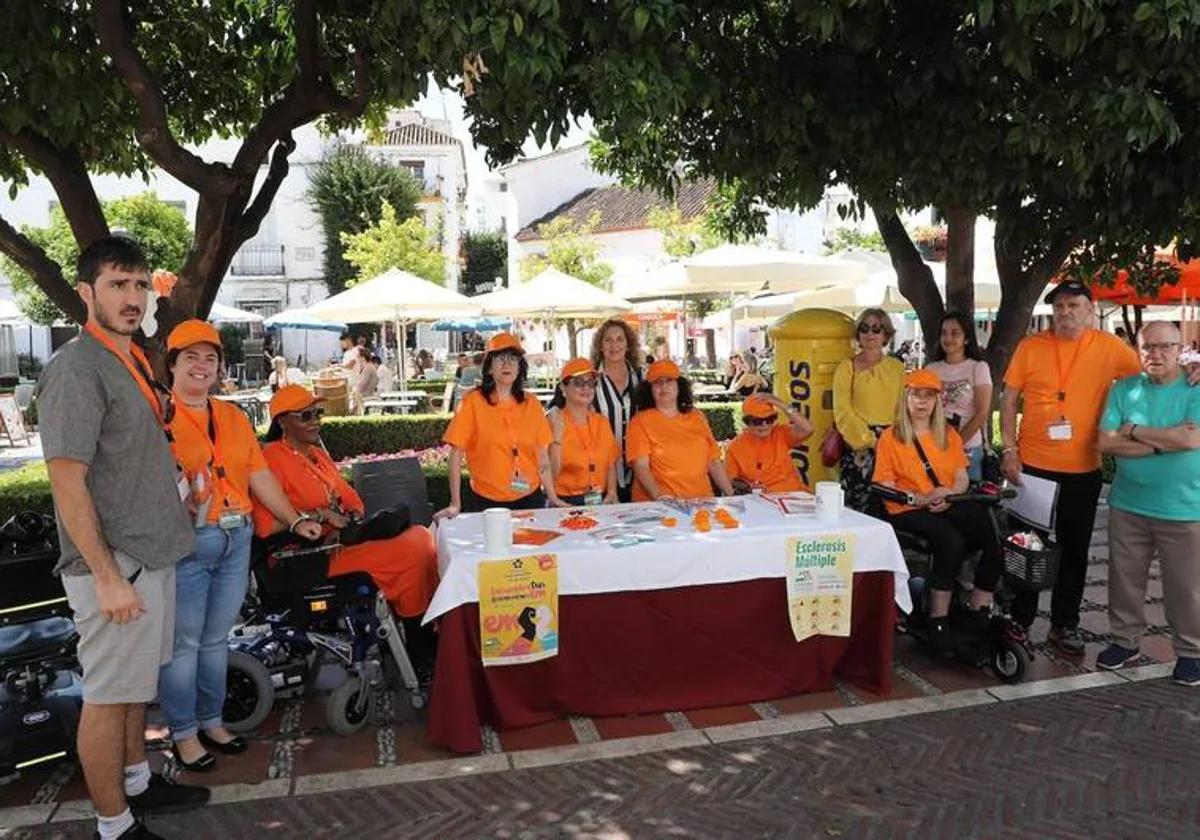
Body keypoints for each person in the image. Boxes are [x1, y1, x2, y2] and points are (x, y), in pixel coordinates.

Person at [38, 237, 208, 840]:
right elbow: (66, 482)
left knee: (138, 686)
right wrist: (106, 576)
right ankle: (113, 826)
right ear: (87, 293)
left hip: (151, 553)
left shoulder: (131, 357)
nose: (133, 297)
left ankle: (137, 782)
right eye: (117, 285)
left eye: (139, 284)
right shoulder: (75, 370)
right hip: (116, 570)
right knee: (108, 698)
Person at [159, 322, 322, 773]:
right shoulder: (159, 417)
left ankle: (212, 721)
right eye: (190, 357)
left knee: (215, 640)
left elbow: (258, 475)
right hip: (189, 540)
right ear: (171, 364)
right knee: (184, 642)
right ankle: (183, 733)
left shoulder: (230, 417)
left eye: (210, 358)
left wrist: (295, 519)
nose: (201, 366)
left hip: (236, 537)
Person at [1000, 280, 1142, 654]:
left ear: (1090, 310)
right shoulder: (1031, 346)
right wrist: (1008, 449)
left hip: (1083, 468)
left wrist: (1189, 373)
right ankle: (1019, 618)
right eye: (1059, 307)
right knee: (1027, 547)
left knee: (1075, 549)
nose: (1065, 313)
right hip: (1031, 468)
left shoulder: (1110, 347)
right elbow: (1010, 398)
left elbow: (1146, 382)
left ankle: (1065, 624)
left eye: (1073, 305)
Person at [252, 385, 440, 667]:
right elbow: (265, 527)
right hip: (303, 556)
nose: (315, 420)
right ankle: (419, 643)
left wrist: (348, 517)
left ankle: (420, 626)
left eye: (318, 413)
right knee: (412, 549)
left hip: (339, 543)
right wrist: (321, 515)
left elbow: (351, 499)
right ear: (282, 422)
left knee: (421, 537)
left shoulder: (317, 454)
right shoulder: (270, 459)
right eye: (305, 415)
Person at [1096, 322, 1200, 685]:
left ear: (1180, 348)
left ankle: (1190, 652)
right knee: (1124, 579)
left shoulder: (1196, 389)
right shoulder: (1124, 389)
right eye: (1147, 347)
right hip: (1128, 504)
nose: (1155, 354)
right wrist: (1164, 441)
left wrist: (1136, 431)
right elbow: (1107, 443)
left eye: (1164, 346)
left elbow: (1191, 441)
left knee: (1186, 587)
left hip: (1186, 507)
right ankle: (1125, 642)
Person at [873, 370, 1003, 652]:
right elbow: (883, 484)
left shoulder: (949, 435)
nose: (922, 401)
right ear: (905, 398)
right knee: (950, 540)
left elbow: (961, 478)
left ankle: (978, 610)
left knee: (991, 531)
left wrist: (948, 494)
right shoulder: (890, 438)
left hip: (946, 500)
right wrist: (919, 498)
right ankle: (938, 618)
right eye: (916, 395)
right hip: (907, 506)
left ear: (937, 401)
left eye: (929, 396)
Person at [436, 333, 563, 516]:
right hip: (487, 503)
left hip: (530, 499)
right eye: (500, 359)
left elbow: (542, 457)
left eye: (513, 359)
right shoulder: (472, 402)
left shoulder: (532, 403)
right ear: (489, 368)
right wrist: (455, 503)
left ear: (520, 367)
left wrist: (552, 496)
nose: (507, 364)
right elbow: (456, 455)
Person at [626, 359, 736, 500]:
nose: (663, 386)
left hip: (702, 503)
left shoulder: (697, 416)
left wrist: (731, 496)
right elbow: (641, 467)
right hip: (660, 507)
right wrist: (659, 496)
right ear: (649, 389)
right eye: (657, 382)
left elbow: (713, 462)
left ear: (679, 385)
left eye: (669, 380)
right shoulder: (639, 422)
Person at [833, 308, 905, 513]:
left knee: (891, 505)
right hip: (859, 446)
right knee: (858, 507)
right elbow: (842, 410)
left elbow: (903, 405)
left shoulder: (896, 367)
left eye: (876, 328)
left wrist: (895, 439)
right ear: (858, 333)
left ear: (886, 334)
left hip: (893, 443)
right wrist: (870, 440)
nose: (870, 333)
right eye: (864, 328)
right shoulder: (847, 367)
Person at [925, 312, 993, 481]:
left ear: (966, 338)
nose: (948, 338)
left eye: (955, 333)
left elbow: (982, 411)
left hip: (968, 449)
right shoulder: (930, 369)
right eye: (944, 332)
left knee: (966, 503)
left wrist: (955, 445)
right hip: (933, 449)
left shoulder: (978, 367)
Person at [546, 358, 621, 505]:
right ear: (563, 388)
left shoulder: (602, 422)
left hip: (600, 501)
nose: (586, 388)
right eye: (578, 383)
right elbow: (549, 474)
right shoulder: (552, 422)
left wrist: (612, 492)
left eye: (591, 383)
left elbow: (610, 463)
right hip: (564, 503)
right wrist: (557, 440)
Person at [590, 319, 644, 502]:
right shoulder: (588, 379)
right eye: (608, 340)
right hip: (600, 473)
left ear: (628, 345)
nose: (614, 345)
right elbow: (557, 409)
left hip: (638, 473)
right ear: (600, 346)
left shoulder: (641, 378)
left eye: (620, 339)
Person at [724, 393, 813, 492]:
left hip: (795, 495)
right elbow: (731, 484)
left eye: (770, 419)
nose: (765, 425)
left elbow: (808, 429)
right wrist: (748, 488)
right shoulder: (734, 448)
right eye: (758, 421)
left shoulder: (780, 433)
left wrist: (782, 404)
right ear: (747, 422)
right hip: (761, 501)